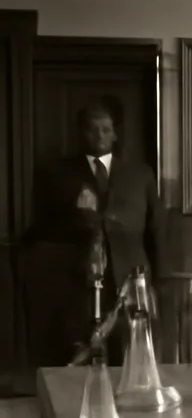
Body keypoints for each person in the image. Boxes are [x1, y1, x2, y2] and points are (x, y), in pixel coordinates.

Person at [28, 99, 164, 366]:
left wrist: (161, 279)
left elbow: (156, 228)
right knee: (81, 357)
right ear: (81, 134)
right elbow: (43, 229)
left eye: (105, 129)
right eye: (92, 129)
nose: (99, 135)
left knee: (132, 356)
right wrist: (81, 218)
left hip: (131, 280)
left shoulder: (141, 174)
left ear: (115, 133)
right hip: (79, 284)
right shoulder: (58, 174)